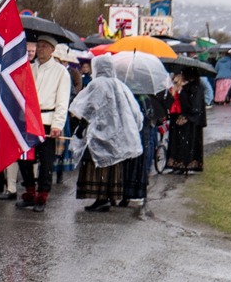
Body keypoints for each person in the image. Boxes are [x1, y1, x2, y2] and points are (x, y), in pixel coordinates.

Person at [69, 55, 147, 212]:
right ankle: (109, 196)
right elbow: (134, 112)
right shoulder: (120, 85)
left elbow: (89, 107)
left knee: (98, 165)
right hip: (115, 135)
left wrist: (81, 126)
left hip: (99, 132)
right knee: (112, 165)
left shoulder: (97, 84)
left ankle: (101, 197)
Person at [18, 32, 71, 210]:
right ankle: (30, 191)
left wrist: (57, 125)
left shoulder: (60, 72)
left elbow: (63, 101)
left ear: (52, 50)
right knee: (24, 158)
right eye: (38, 45)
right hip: (28, 119)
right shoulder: (29, 68)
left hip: (47, 119)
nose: (40, 49)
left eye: (44, 46)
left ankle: (42, 194)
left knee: (46, 160)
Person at [165, 71, 205, 172]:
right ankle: (180, 163)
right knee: (181, 142)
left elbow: (194, 105)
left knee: (184, 143)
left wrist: (186, 115)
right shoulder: (190, 87)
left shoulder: (194, 88)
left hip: (188, 119)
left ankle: (184, 163)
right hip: (182, 117)